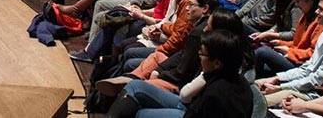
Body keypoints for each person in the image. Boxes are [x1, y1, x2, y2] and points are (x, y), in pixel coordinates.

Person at [105, 28, 253, 118]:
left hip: (188, 112)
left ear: (217, 63)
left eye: (202, 55)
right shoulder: (224, 73)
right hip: (189, 105)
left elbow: (188, 99)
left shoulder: (217, 94)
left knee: (140, 113)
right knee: (135, 86)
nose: (199, 57)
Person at [255, 0, 323, 106]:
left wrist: (281, 87)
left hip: (312, 94)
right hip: (301, 84)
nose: (316, 11)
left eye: (321, 9)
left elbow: (316, 82)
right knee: (254, 86)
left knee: (258, 102)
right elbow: (307, 68)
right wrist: (278, 78)